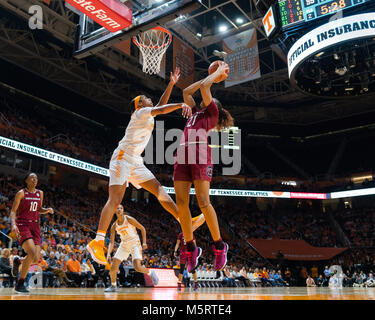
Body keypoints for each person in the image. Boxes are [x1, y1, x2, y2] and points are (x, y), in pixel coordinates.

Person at [87, 68, 196, 265]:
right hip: (122, 157)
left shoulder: (146, 114)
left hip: (135, 160)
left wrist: (171, 84)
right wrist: (182, 103)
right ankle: (98, 241)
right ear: (139, 104)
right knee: (115, 199)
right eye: (145, 97)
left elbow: (160, 106)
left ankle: (182, 219)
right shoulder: (140, 113)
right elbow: (162, 109)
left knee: (158, 189)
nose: (149, 99)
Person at [173, 61, 234, 272]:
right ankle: (191, 248)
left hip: (200, 153)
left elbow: (205, 88)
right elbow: (186, 90)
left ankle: (219, 246)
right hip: (183, 153)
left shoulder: (212, 113)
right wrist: (209, 76)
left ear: (212, 104)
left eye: (206, 99)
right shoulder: (193, 112)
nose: (202, 98)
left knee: (203, 202)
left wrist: (215, 74)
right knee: (181, 203)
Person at [10, 173, 54, 293]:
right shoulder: (21, 193)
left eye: (36, 178)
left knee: (35, 259)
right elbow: (13, 211)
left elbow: (39, 209)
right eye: (32, 178)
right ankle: (20, 284)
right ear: (26, 180)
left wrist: (47, 210)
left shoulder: (40, 193)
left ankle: (19, 261)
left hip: (35, 225)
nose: (34, 180)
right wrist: (13, 224)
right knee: (31, 252)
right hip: (22, 224)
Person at [104, 204, 159, 292]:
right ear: (115, 211)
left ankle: (150, 273)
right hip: (124, 245)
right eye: (117, 208)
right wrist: (108, 254)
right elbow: (111, 242)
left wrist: (144, 242)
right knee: (113, 267)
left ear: (123, 210)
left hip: (135, 243)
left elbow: (142, 228)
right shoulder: (114, 226)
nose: (119, 209)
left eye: (121, 208)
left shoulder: (129, 219)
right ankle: (113, 286)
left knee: (137, 267)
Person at [174, 213, 205, 290]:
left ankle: (196, 283)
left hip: (190, 253)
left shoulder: (191, 234)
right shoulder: (180, 235)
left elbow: (194, 245)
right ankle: (179, 284)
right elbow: (177, 243)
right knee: (181, 269)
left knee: (192, 269)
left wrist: (195, 253)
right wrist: (175, 251)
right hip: (183, 252)